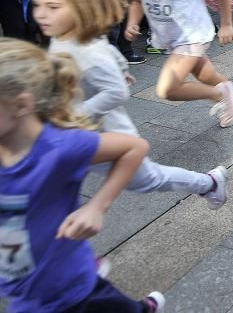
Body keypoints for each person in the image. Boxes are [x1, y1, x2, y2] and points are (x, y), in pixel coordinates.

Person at [33, 0, 229, 207]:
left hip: (108, 135)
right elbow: (109, 50)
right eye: (37, 5)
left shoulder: (86, 50)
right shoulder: (66, 36)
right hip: (78, 133)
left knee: (149, 179)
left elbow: (116, 92)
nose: (40, 14)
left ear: (82, 9)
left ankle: (209, 183)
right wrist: (122, 69)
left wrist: (74, 114)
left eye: (52, 7)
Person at [0, 38, 165, 312]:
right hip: (22, 291)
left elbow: (134, 148)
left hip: (69, 288)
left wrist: (97, 206)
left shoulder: (59, 147)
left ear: (20, 105)